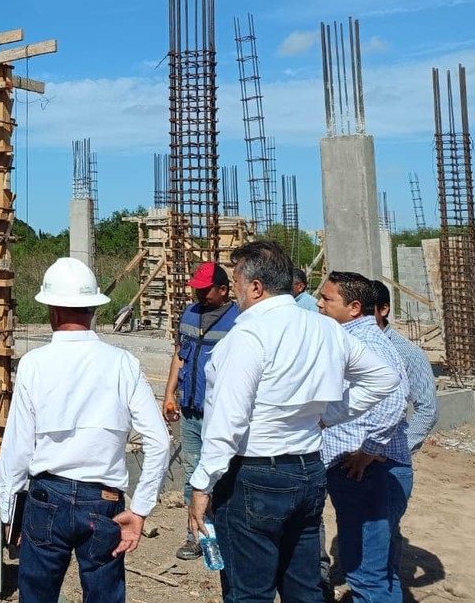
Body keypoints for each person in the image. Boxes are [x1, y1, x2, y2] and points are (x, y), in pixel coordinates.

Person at [188, 241, 402, 603]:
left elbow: (228, 422)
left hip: (253, 476)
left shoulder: (249, 335)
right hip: (307, 471)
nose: (235, 291)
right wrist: (328, 415)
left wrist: (202, 484)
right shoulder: (326, 329)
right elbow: (384, 378)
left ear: (256, 287)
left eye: (238, 281)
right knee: (303, 589)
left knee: (248, 592)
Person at [0, 257, 169, 603]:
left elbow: (16, 448)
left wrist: (8, 512)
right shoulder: (122, 363)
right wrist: (139, 511)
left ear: (53, 310)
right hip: (103, 502)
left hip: (47, 499)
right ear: (93, 308)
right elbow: (160, 442)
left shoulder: (34, 364)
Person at [316, 272, 411, 603]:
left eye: (327, 299)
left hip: (362, 470)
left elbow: (396, 399)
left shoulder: (364, 343)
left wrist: (367, 452)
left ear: (354, 307)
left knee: (366, 575)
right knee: (379, 574)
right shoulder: (357, 338)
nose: (319, 303)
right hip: (363, 469)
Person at [162, 262, 239, 560]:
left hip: (222, 414)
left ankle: (229, 536)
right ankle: (196, 537)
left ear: (223, 289)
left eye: (205, 289)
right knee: (193, 475)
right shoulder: (190, 313)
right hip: (192, 411)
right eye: (196, 288)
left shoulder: (238, 319)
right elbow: (180, 356)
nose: (199, 293)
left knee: (224, 476)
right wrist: (170, 394)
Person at [373, 281, 438, 601]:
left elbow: (427, 410)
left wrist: (394, 447)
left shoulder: (406, 352)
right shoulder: (347, 344)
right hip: (350, 462)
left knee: (383, 550)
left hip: (388, 465)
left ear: (383, 310)